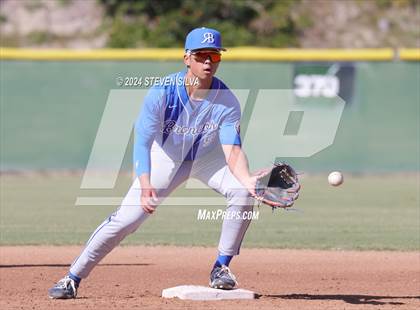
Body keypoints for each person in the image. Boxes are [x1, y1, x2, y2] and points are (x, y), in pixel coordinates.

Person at [48, 27, 259, 299]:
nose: (208, 62)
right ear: (187, 59)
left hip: (207, 158)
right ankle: (72, 277)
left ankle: (221, 267)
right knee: (127, 220)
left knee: (242, 192)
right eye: (201, 55)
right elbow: (142, 142)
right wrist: (145, 182)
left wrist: (248, 179)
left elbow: (232, 150)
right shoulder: (163, 92)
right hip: (166, 157)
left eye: (214, 56)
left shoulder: (227, 100)